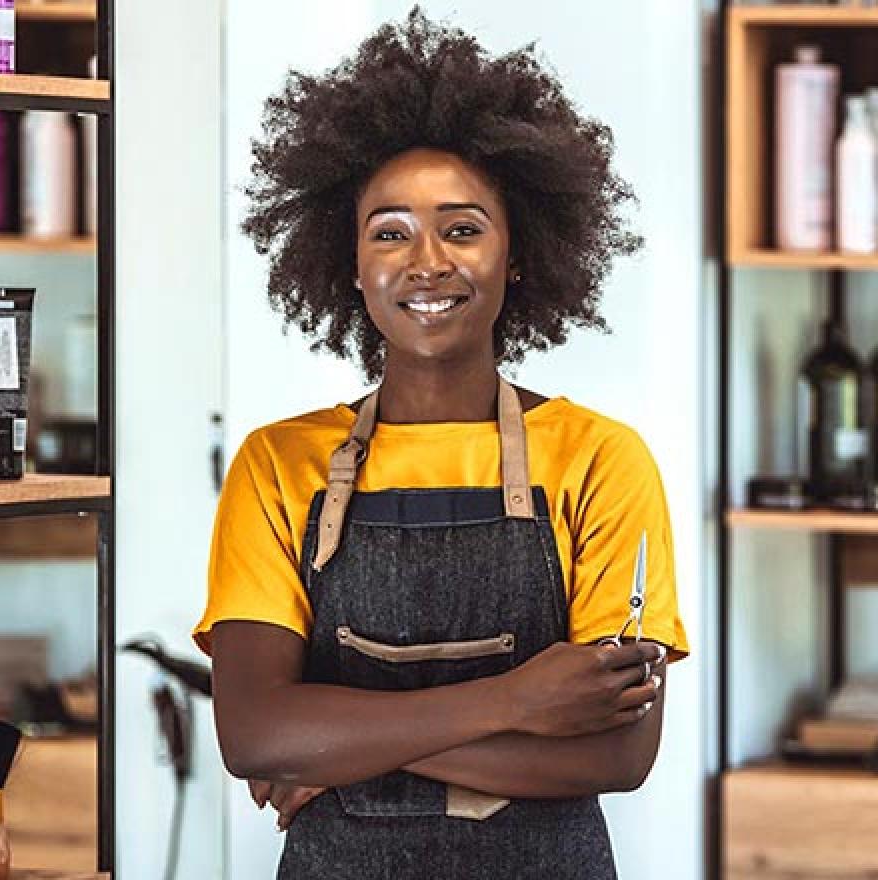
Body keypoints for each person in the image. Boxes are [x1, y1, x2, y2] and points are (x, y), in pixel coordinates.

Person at [195, 12, 681, 879]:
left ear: (517, 254)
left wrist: (343, 744)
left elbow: (617, 756)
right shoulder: (279, 466)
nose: (426, 262)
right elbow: (256, 733)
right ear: (349, 261)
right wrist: (517, 701)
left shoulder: (602, 460)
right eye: (389, 231)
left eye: (461, 229)